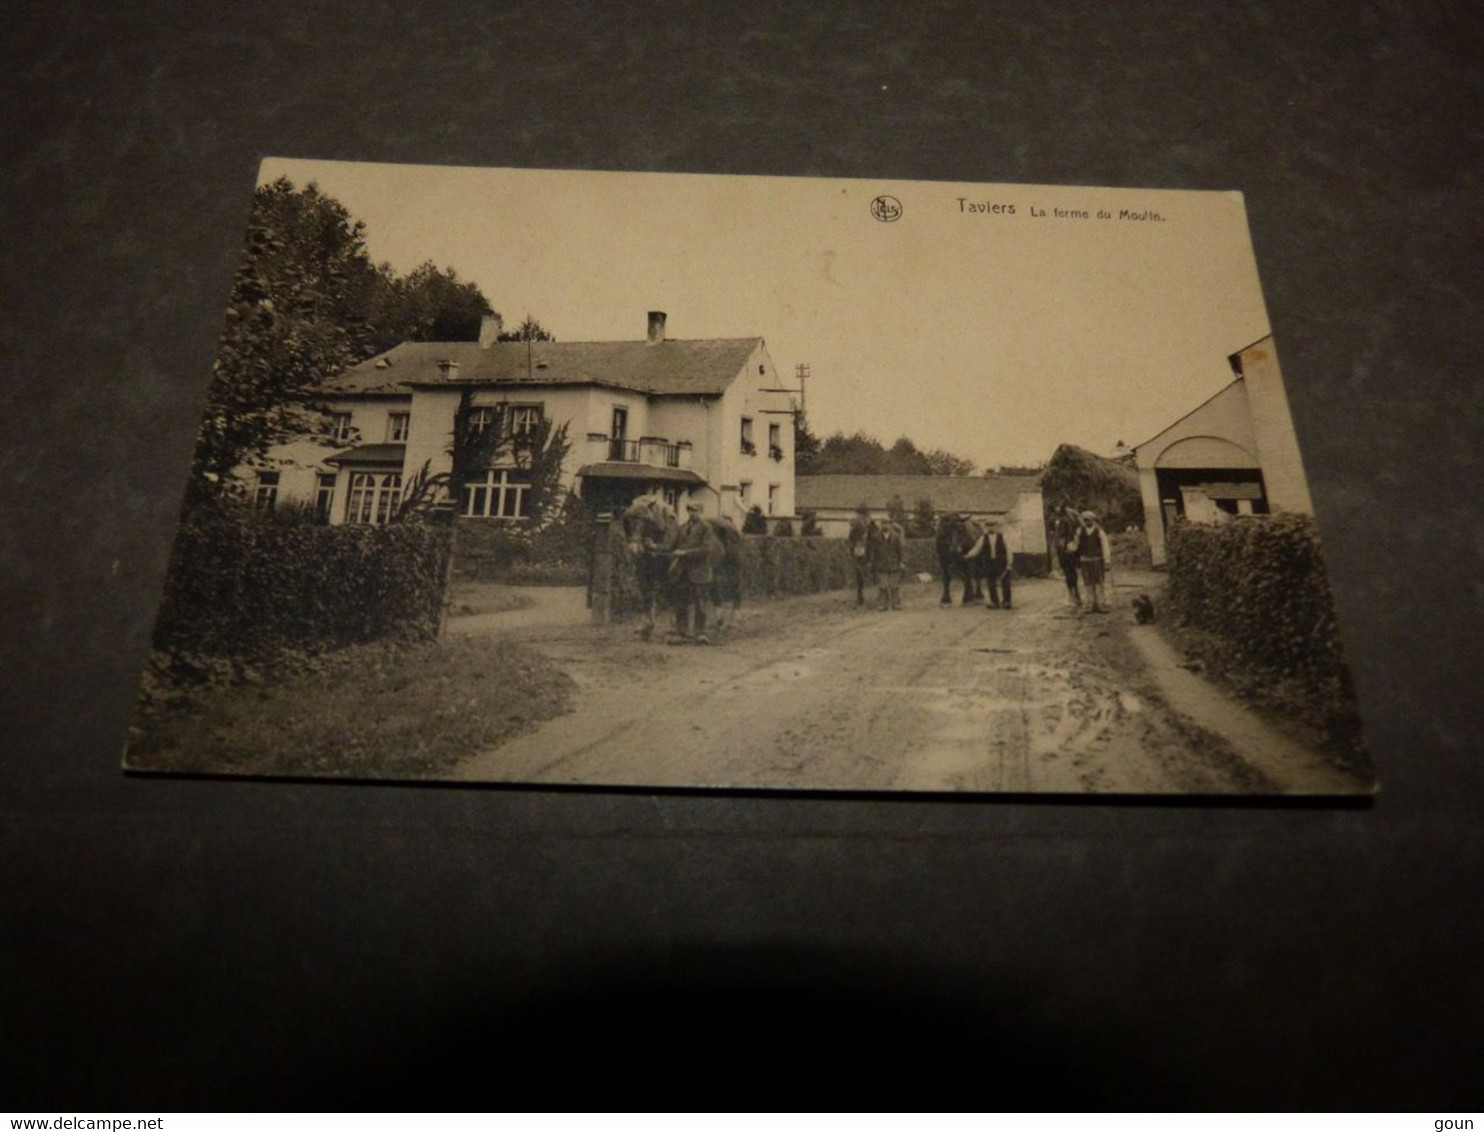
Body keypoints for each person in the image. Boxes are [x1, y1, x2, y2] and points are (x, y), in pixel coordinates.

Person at [669, 502, 720, 643]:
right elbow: (672, 547)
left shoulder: (706, 528)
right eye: (690, 510)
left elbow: (706, 549)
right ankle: (681, 632)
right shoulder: (682, 528)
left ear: (701, 511)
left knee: (700, 601)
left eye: (695, 510)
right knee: (681, 601)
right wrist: (655, 546)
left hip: (700, 571)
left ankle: (700, 633)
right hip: (683, 571)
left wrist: (685, 552)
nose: (692, 513)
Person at [1076, 510, 1113, 613]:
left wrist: (1107, 561)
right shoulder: (1080, 532)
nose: (1087, 522)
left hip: (1097, 560)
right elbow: (1076, 545)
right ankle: (1089, 604)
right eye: (1085, 520)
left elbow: (1105, 547)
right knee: (1087, 583)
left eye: (1089, 520)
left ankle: (1101, 604)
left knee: (1099, 582)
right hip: (1085, 560)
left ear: (1093, 520)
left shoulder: (1099, 532)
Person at [871, 516, 906, 610]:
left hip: (894, 563)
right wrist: (872, 563)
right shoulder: (875, 537)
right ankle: (882, 604)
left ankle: (896, 603)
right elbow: (873, 551)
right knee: (883, 585)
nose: (885, 525)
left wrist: (902, 561)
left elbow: (900, 550)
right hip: (881, 564)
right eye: (883, 523)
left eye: (887, 523)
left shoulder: (896, 537)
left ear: (891, 525)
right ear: (880, 525)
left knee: (894, 585)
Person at [1053, 506, 1082, 609]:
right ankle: (1075, 596)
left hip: (1067, 549)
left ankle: (1074, 596)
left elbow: (1061, 536)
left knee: (1070, 574)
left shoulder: (1064, 521)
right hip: (1068, 548)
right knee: (1071, 573)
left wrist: (1062, 546)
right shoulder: (1066, 520)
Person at [980, 519, 1014, 610]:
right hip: (990, 562)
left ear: (996, 526)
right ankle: (994, 602)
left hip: (1002, 562)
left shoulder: (1003, 536)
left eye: (993, 525)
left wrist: (1009, 563)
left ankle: (1007, 601)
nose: (991, 528)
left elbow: (1008, 549)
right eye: (988, 526)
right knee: (991, 582)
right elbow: (977, 548)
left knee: (1005, 581)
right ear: (986, 527)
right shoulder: (984, 537)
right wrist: (967, 556)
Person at [847, 504, 877, 607]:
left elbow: (876, 538)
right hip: (859, 553)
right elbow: (851, 538)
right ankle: (860, 597)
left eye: (861, 515)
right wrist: (855, 546)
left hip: (870, 552)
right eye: (859, 515)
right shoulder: (856, 527)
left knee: (874, 574)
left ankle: (878, 596)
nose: (860, 517)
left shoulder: (872, 525)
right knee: (859, 574)